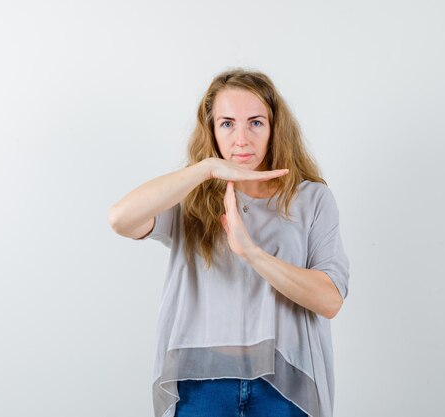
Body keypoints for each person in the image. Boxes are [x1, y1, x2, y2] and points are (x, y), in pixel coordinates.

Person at [108, 68, 350, 417]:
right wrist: (205, 170)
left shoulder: (311, 198)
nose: (241, 139)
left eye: (255, 122)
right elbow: (120, 218)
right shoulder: (190, 195)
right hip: (202, 383)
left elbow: (330, 300)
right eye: (226, 123)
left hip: (283, 382)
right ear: (211, 130)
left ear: (273, 128)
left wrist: (251, 252)